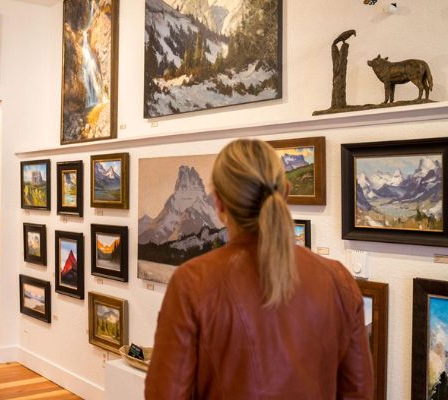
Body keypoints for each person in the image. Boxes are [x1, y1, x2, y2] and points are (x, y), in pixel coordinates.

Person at [145, 139, 374, 399]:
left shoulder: (192, 282)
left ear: (218, 204)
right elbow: (358, 392)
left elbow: (166, 394)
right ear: (286, 193)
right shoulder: (337, 280)